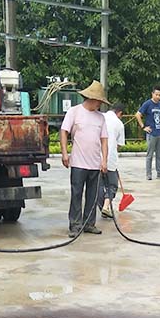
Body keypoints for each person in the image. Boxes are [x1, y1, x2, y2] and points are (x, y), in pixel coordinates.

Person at [60, 80, 109, 238]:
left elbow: (104, 140)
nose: (100, 105)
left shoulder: (100, 118)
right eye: (99, 102)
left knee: (92, 195)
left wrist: (104, 160)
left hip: (95, 163)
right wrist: (64, 153)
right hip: (78, 163)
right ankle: (75, 225)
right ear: (92, 99)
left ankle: (89, 223)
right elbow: (64, 131)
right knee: (76, 194)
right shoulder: (74, 112)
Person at [135, 86, 160, 180]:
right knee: (150, 154)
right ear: (152, 94)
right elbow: (138, 114)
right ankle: (148, 174)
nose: (158, 97)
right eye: (156, 94)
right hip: (151, 133)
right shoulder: (147, 104)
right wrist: (143, 127)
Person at [99, 102, 126, 218]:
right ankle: (105, 206)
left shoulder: (100, 117)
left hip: (96, 157)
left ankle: (102, 208)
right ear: (120, 113)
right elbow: (119, 145)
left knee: (98, 185)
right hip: (110, 159)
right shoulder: (119, 124)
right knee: (112, 185)